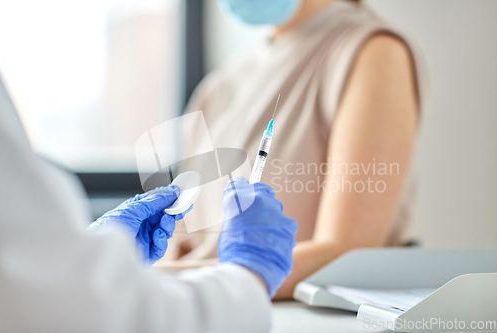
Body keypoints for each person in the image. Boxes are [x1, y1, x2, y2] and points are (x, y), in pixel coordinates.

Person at [0, 67, 297, 332]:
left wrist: (94, 251)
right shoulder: (219, 85)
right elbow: (93, 314)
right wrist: (249, 273)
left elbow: (22, 281)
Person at [161, 0, 426, 299]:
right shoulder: (219, 85)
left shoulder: (373, 53)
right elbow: (182, 244)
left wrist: (151, 283)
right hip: (210, 311)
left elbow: (345, 255)